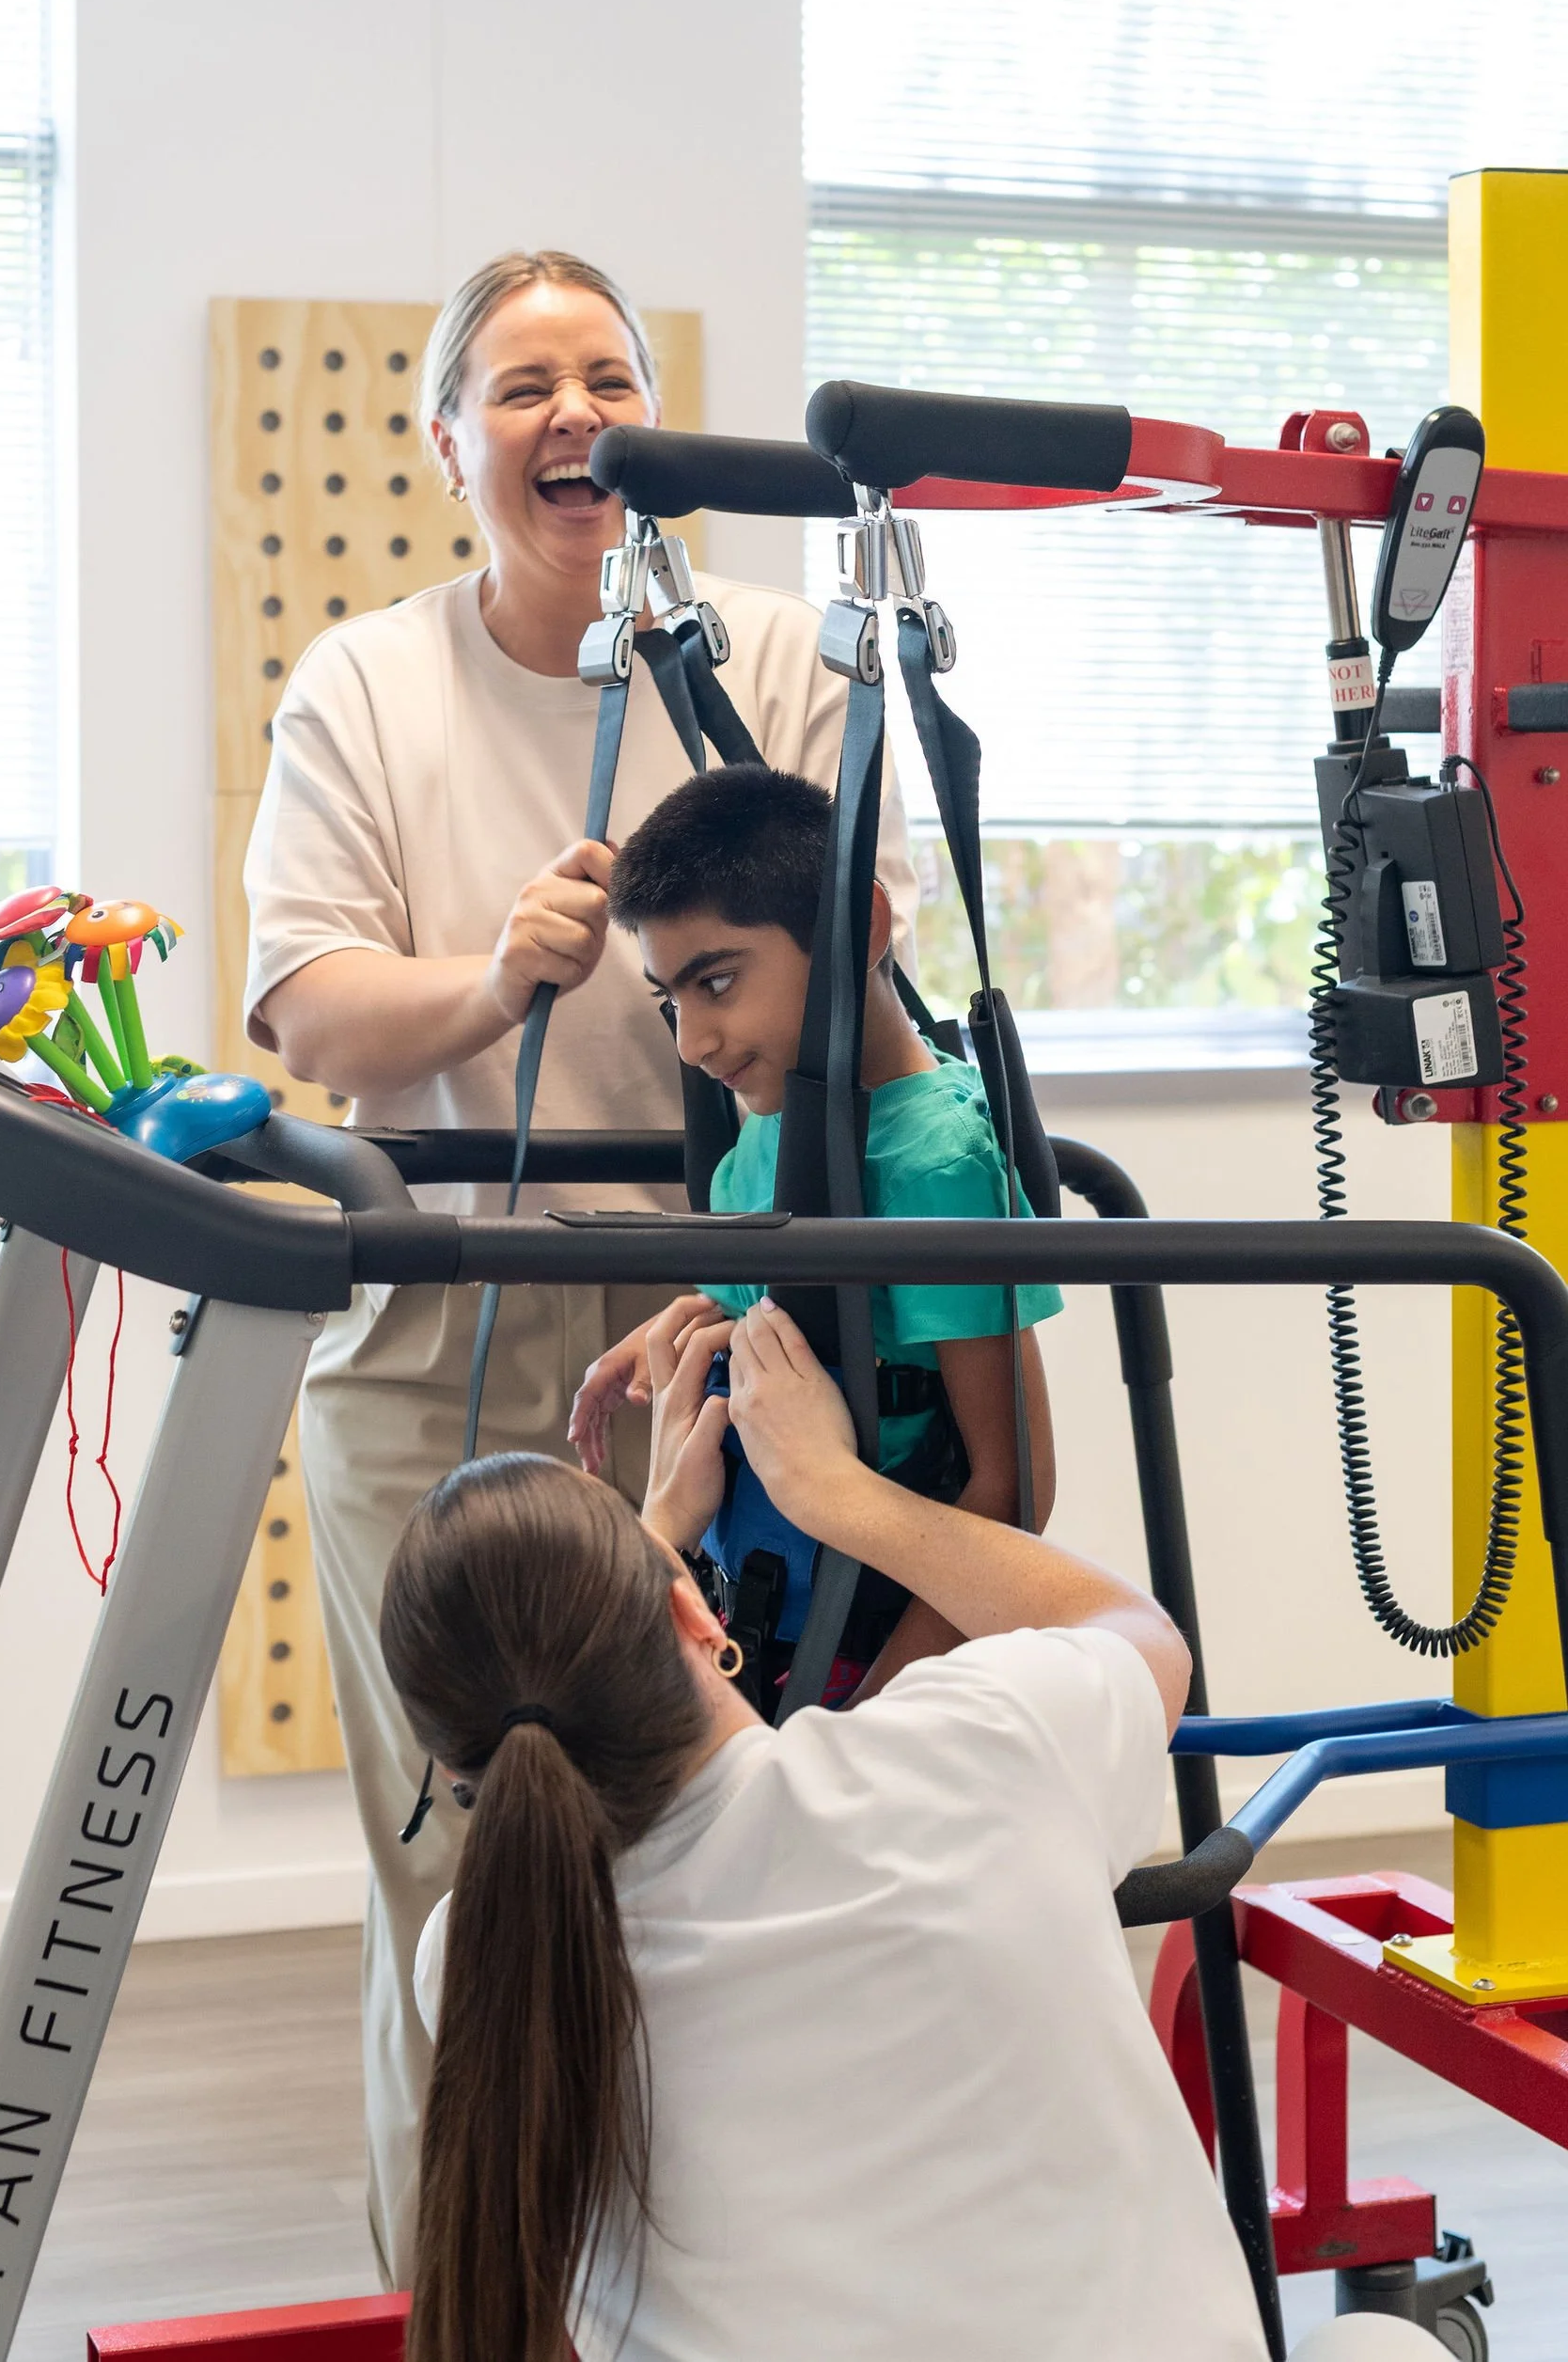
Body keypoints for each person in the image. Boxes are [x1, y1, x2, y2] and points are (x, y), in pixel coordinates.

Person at [242, 246, 917, 2280]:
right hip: (444, 1332)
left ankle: (712, 2284)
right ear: (450, 442)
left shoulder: (773, 656)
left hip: (722, 1319)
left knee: (725, 1829)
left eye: (606, 377)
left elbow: (861, 942)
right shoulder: (369, 680)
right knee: (461, 1857)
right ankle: (469, 2298)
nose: (572, 415)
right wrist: (492, 981)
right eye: (519, 385)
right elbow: (304, 1010)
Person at [384, 1303, 1265, 2362]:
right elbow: (1132, 1631)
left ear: (450, 1767)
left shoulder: (476, 1960)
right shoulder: (972, 1751)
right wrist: (835, 1493)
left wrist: (658, 1536)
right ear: (694, 1618)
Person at [572, 761, 1058, 1701]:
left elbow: (1010, 1491)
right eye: (668, 999)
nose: (691, 1042)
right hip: (756, 1632)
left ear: (858, 930)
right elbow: (797, 1303)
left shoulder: (933, 1166)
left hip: (872, 1657)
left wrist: (869, 1722)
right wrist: (670, 1323)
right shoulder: (767, 1125)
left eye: (716, 982)